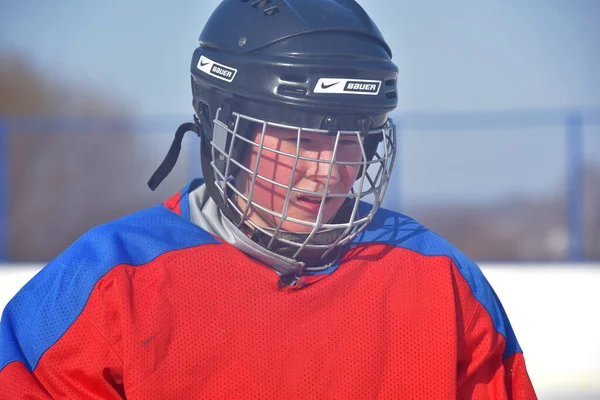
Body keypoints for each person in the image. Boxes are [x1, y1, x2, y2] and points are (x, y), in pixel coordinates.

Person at [0, 0, 537, 398]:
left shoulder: (438, 282)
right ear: (225, 130)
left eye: (350, 137)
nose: (329, 169)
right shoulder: (109, 285)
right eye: (300, 136)